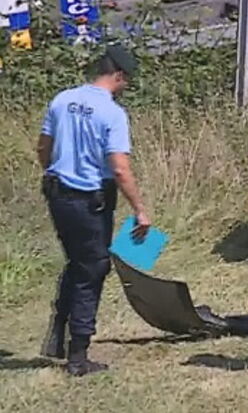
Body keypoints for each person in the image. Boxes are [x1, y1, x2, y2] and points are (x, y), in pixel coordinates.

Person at [37, 44, 152, 377]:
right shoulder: (112, 113)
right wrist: (140, 210)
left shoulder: (62, 99)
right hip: (91, 199)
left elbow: (43, 146)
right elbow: (119, 167)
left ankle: (58, 333)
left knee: (77, 261)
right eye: (125, 80)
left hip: (58, 194)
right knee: (93, 268)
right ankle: (78, 355)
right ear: (117, 75)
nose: (125, 86)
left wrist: (53, 172)